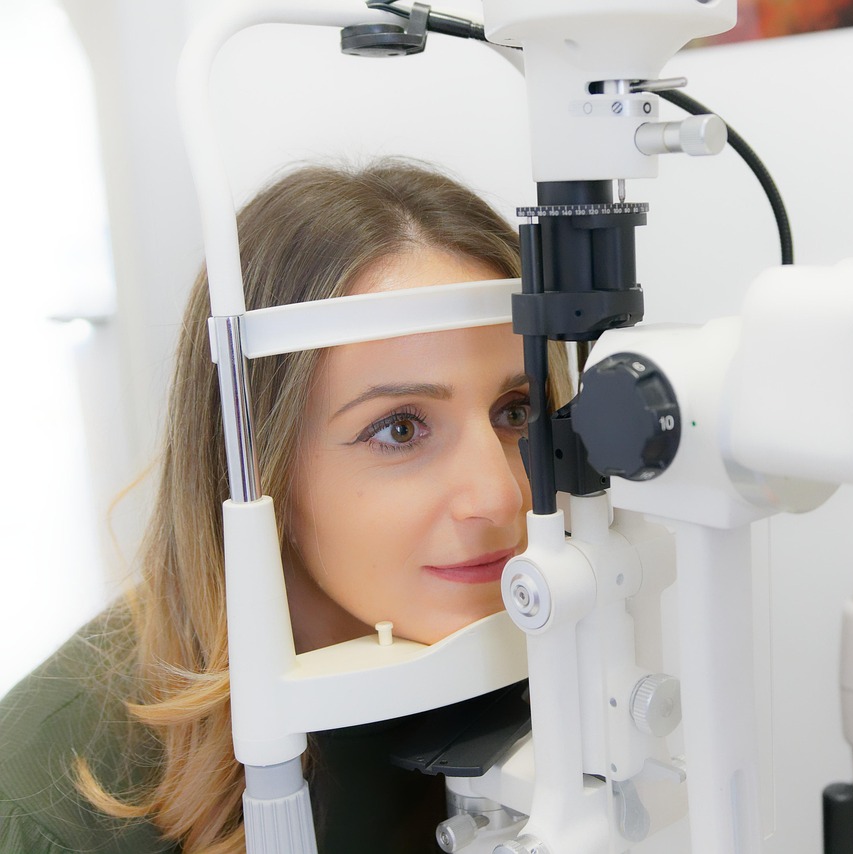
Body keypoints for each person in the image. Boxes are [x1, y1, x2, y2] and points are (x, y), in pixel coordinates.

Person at [0, 159, 571, 853]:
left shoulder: (506, 647)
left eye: (515, 411)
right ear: (256, 465)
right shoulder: (49, 800)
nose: (500, 496)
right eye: (399, 428)